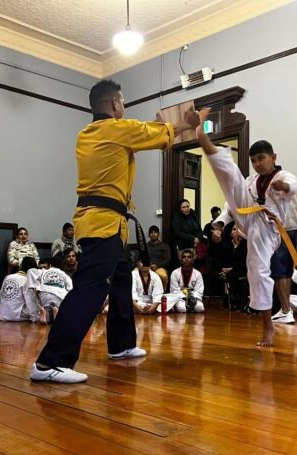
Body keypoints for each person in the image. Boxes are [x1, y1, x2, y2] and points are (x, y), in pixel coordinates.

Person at [30, 79, 199, 383]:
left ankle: (121, 345)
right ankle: (49, 363)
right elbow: (151, 133)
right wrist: (186, 124)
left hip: (104, 222)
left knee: (121, 281)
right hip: (102, 222)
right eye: (123, 102)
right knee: (90, 288)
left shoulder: (88, 133)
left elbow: (140, 130)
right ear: (115, 104)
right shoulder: (116, 130)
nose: (124, 107)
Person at [196, 108, 297, 346]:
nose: (257, 164)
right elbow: (231, 206)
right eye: (253, 160)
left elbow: (292, 186)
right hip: (246, 222)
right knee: (233, 179)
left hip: (267, 228)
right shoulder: (251, 181)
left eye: (261, 158)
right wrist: (220, 225)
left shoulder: (284, 176)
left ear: (273, 156)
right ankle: (205, 140)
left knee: (258, 272)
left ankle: (268, 326)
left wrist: (283, 186)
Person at [270, 192, 297, 324]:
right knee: (286, 269)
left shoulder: (287, 182)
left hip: (285, 228)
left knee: (281, 268)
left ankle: (286, 311)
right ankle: (286, 310)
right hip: (288, 228)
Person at [27, 255, 73, 324]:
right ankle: (57, 310)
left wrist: (34, 286)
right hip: (59, 296)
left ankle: (45, 315)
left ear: (50, 265)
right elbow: (70, 289)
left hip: (44, 295)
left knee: (45, 307)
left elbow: (31, 271)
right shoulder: (65, 275)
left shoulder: (43, 271)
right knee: (63, 307)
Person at [0, 257, 39, 322]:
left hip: (3, 315)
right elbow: (30, 301)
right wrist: (35, 318)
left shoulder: (7, 277)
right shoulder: (27, 280)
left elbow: (1, 294)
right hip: (18, 316)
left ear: (21, 266)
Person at [219, 224, 248, 310]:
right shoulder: (227, 245)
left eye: (236, 229)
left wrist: (231, 268)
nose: (234, 232)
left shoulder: (246, 244)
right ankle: (228, 299)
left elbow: (245, 261)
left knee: (231, 275)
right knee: (223, 274)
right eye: (233, 229)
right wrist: (224, 269)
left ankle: (236, 300)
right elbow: (224, 259)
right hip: (230, 269)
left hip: (243, 269)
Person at [147, 225, 171, 291]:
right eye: (151, 233)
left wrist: (157, 265)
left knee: (163, 276)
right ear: (149, 235)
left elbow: (167, 260)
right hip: (146, 267)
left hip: (160, 267)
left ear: (158, 234)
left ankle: (162, 294)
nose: (153, 234)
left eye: (155, 232)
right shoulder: (145, 246)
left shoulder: (164, 246)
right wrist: (147, 265)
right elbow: (140, 258)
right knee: (134, 273)